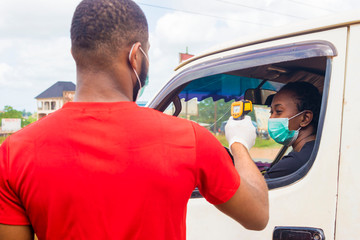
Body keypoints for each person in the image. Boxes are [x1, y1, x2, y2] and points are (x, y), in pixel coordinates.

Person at [0, 0, 268, 239]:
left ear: (75, 53)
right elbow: (257, 215)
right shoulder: (191, 139)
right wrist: (239, 144)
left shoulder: (13, 153)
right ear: (136, 55)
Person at [264, 81, 321, 178]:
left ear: (305, 118)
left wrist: (239, 144)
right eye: (271, 112)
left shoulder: (295, 163)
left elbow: (253, 190)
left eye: (278, 111)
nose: (271, 118)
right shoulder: (316, 151)